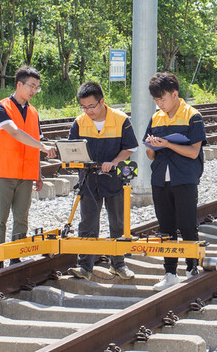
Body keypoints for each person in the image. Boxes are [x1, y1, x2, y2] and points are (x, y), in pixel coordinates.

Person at [66, 81, 138, 281]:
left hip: (115, 179)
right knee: (87, 223)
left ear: (102, 101)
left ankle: (118, 264)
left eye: (92, 106)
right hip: (89, 180)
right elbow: (72, 148)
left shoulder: (121, 120)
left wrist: (114, 162)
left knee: (117, 222)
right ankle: (85, 267)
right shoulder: (79, 122)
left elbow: (130, 147)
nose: (88, 111)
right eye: (84, 107)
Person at [144, 72, 208, 291]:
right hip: (160, 178)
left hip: (185, 177)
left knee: (187, 224)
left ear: (174, 94)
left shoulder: (193, 115)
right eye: (156, 100)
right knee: (166, 227)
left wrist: (168, 144)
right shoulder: (155, 118)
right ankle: (170, 272)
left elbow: (193, 152)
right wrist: (152, 146)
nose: (159, 104)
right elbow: (149, 155)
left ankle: (192, 268)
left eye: (162, 99)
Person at [0, 66, 57, 262]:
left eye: (37, 87)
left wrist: (38, 172)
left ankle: (15, 257)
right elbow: (16, 133)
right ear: (19, 84)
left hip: (26, 174)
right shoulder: (1, 108)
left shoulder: (34, 112)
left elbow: (33, 142)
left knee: (21, 219)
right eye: (31, 86)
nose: (34, 91)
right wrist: (44, 147)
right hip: (4, 172)